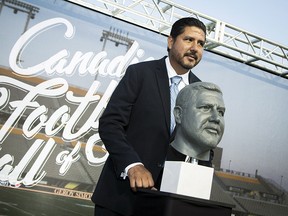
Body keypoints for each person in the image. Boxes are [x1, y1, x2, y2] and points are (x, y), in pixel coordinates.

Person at [92, 17, 207, 216]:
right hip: (119, 200)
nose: (195, 48)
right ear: (170, 41)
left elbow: (200, 145)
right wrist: (133, 165)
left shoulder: (201, 92)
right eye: (189, 40)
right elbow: (110, 124)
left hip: (165, 207)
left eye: (201, 43)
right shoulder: (139, 73)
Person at [167, 82, 225, 165]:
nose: (217, 118)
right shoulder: (151, 167)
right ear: (179, 114)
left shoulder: (211, 176)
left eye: (221, 112)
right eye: (206, 108)